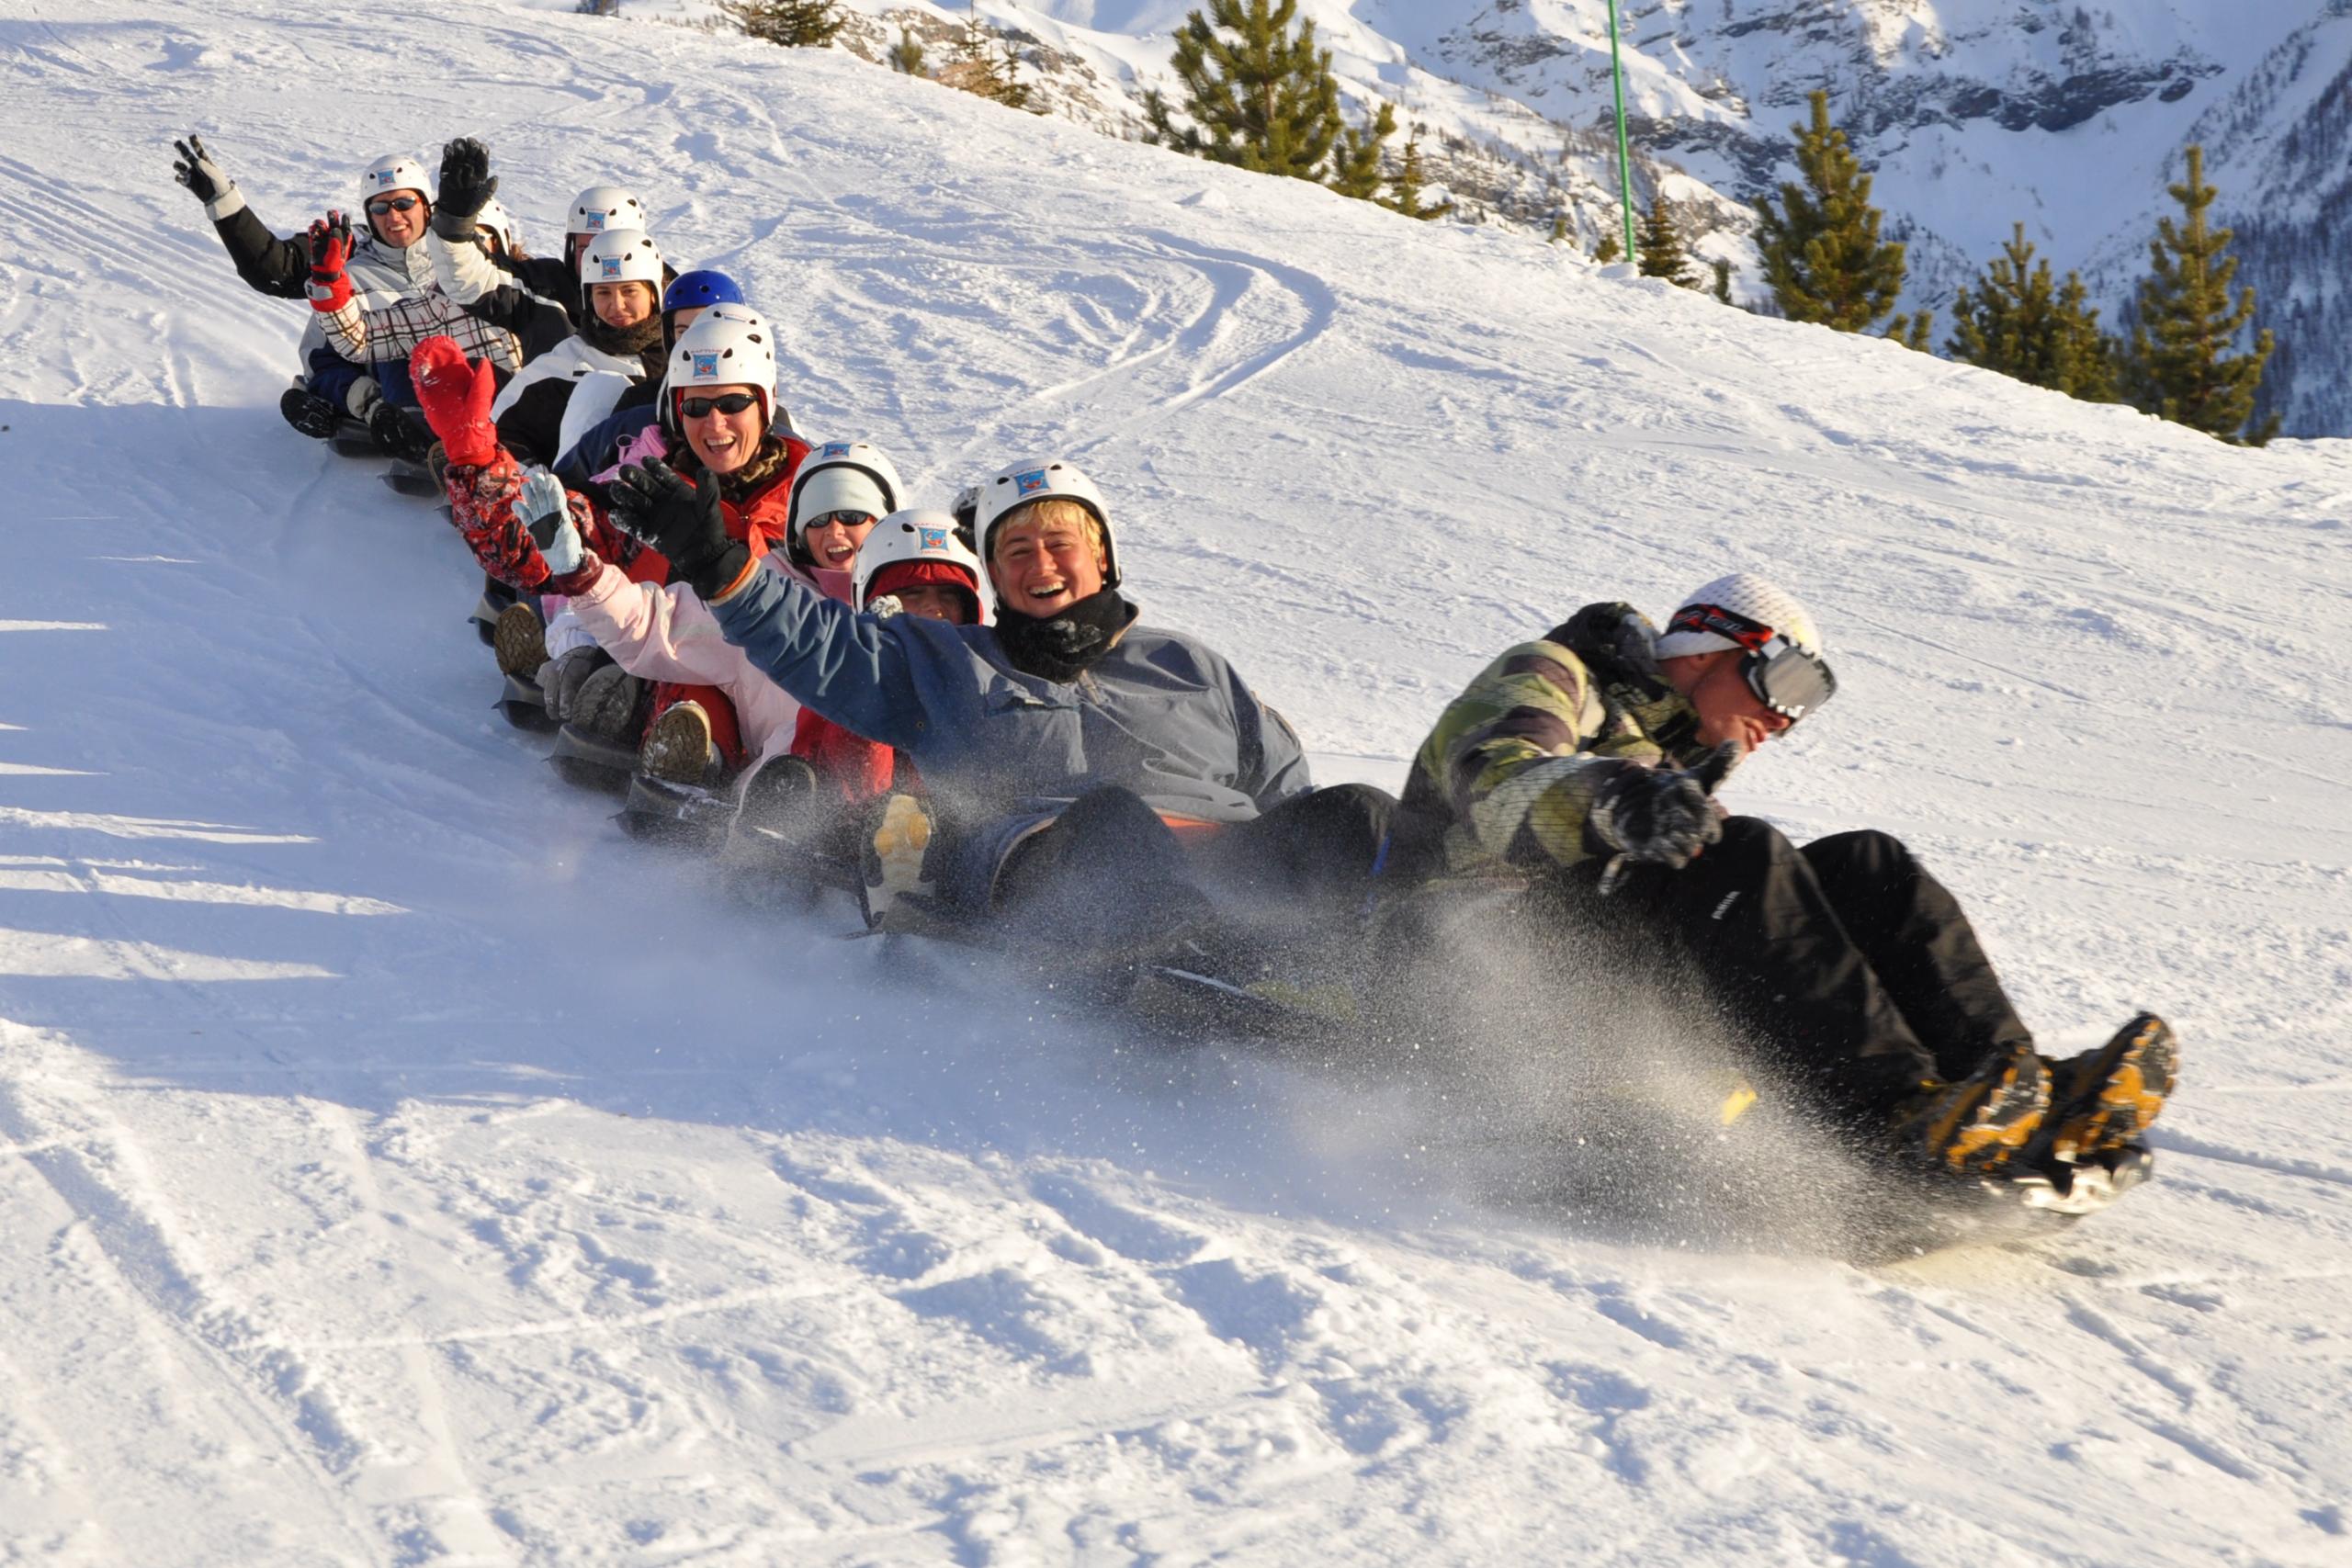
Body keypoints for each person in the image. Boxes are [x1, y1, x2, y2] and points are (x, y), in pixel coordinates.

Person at [1379, 571, 2177, 1181]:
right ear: (1708, 648)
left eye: (1808, 704)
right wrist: (1618, 801)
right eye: (1787, 684)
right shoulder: (1557, 674)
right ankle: (1893, 1114)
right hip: (1465, 952)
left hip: (1583, 961)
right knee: (1744, 853)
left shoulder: (1678, 754)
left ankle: (2010, 1092)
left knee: (1869, 863)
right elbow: (1494, 776)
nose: (1785, 720)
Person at [605, 454, 1393, 942]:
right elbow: (820, 645)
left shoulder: (1188, 663)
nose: (1040, 564)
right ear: (993, 575)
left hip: (1231, 862)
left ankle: (1430, 975)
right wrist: (715, 560)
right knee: (1114, 823)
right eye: (1016, 550)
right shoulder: (945, 661)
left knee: (1362, 815)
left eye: (1061, 545)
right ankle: (1227, 963)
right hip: (1066, 870)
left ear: (1104, 560)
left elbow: (1292, 797)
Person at [171, 138, 448, 452]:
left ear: (426, 205)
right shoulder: (348, 249)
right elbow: (275, 269)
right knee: (392, 341)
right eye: (380, 208)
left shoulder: (460, 251)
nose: (393, 217)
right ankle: (405, 429)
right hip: (388, 374)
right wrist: (225, 205)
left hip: (461, 374)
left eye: (404, 204)